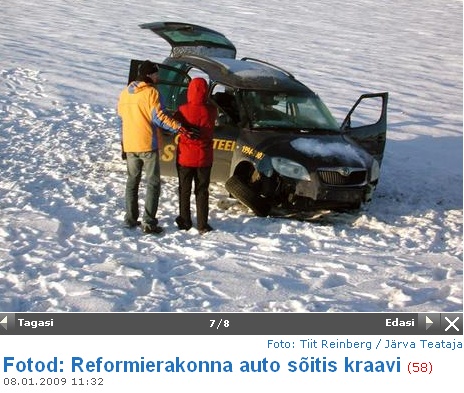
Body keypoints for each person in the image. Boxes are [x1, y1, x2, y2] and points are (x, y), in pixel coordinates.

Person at [117, 60, 194, 234]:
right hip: (147, 144)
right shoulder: (152, 93)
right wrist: (179, 127)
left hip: (130, 144)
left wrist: (123, 142)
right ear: (150, 75)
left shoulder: (124, 93)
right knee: (152, 183)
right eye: (156, 73)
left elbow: (120, 119)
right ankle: (149, 222)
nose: (158, 77)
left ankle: (130, 218)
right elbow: (159, 118)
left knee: (132, 182)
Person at [174, 78, 217, 234]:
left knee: (184, 190)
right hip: (205, 157)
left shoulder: (182, 110)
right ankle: (202, 224)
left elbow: (175, 126)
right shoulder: (212, 111)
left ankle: (185, 220)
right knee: (202, 190)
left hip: (185, 156)